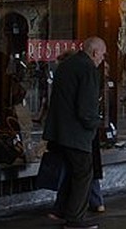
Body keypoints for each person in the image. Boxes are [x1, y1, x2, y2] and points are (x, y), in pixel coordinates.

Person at [43, 37, 106, 229]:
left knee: (71, 171)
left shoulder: (67, 64)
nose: (102, 58)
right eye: (102, 54)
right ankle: (75, 220)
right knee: (83, 173)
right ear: (94, 52)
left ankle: (61, 209)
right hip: (76, 134)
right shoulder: (88, 69)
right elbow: (86, 110)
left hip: (59, 131)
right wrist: (98, 123)